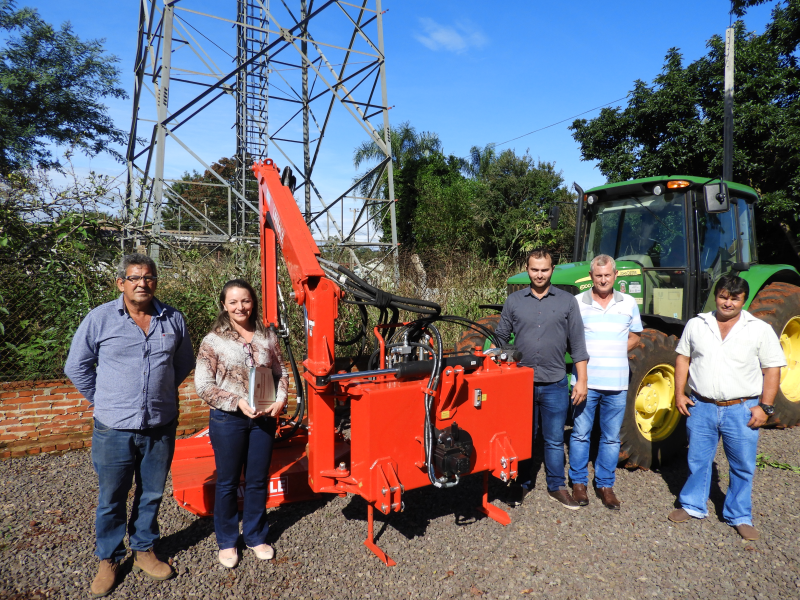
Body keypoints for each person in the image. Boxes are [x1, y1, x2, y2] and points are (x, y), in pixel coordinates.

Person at [65, 254, 194, 598]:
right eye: (134, 278)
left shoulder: (173, 319)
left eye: (148, 277)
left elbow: (183, 362)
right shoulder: (100, 319)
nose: (142, 284)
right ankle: (108, 558)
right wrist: (103, 399)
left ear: (156, 282)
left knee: (151, 492)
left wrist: (159, 393)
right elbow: (76, 366)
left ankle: (143, 549)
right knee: (112, 496)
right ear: (121, 282)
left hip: (160, 424)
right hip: (114, 427)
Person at [667, 275, 786, 541]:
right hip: (702, 405)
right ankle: (692, 505)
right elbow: (683, 358)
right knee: (697, 460)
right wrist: (679, 394)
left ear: (744, 300)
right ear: (716, 296)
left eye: (735, 298)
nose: (728, 303)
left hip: (741, 408)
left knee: (742, 465)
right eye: (723, 296)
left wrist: (765, 407)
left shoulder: (759, 329)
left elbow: (772, 369)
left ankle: (739, 515)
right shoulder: (697, 324)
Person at [195, 279, 289, 568]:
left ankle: (255, 535)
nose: (240, 307)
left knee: (258, 480)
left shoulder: (267, 336)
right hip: (229, 420)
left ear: (253, 303)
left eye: (245, 301)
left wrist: (280, 399)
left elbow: (281, 372)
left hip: (263, 419)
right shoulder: (213, 341)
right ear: (224, 305)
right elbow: (203, 386)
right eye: (233, 302)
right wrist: (236, 402)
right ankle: (227, 541)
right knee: (227, 482)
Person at [495, 248, 590, 509]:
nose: (539, 274)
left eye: (544, 270)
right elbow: (500, 337)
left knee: (554, 439)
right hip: (521, 384)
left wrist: (582, 380)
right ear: (527, 269)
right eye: (534, 269)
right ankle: (521, 483)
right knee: (523, 437)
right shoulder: (514, 301)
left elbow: (578, 344)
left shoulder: (567, 302)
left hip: (555, 383)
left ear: (552, 270)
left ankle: (556, 486)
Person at [568, 255, 642, 510]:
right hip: (585, 382)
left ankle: (605, 485)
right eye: (598, 275)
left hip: (617, 383)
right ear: (591, 276)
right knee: (580, 434)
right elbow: (570, 339)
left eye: (607, 275)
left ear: (615, 275)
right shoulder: (578, 302)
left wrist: (615, 350)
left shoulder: (628, 302)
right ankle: (579, 483)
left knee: (611, 438)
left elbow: (636, 336)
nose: (603, 280)